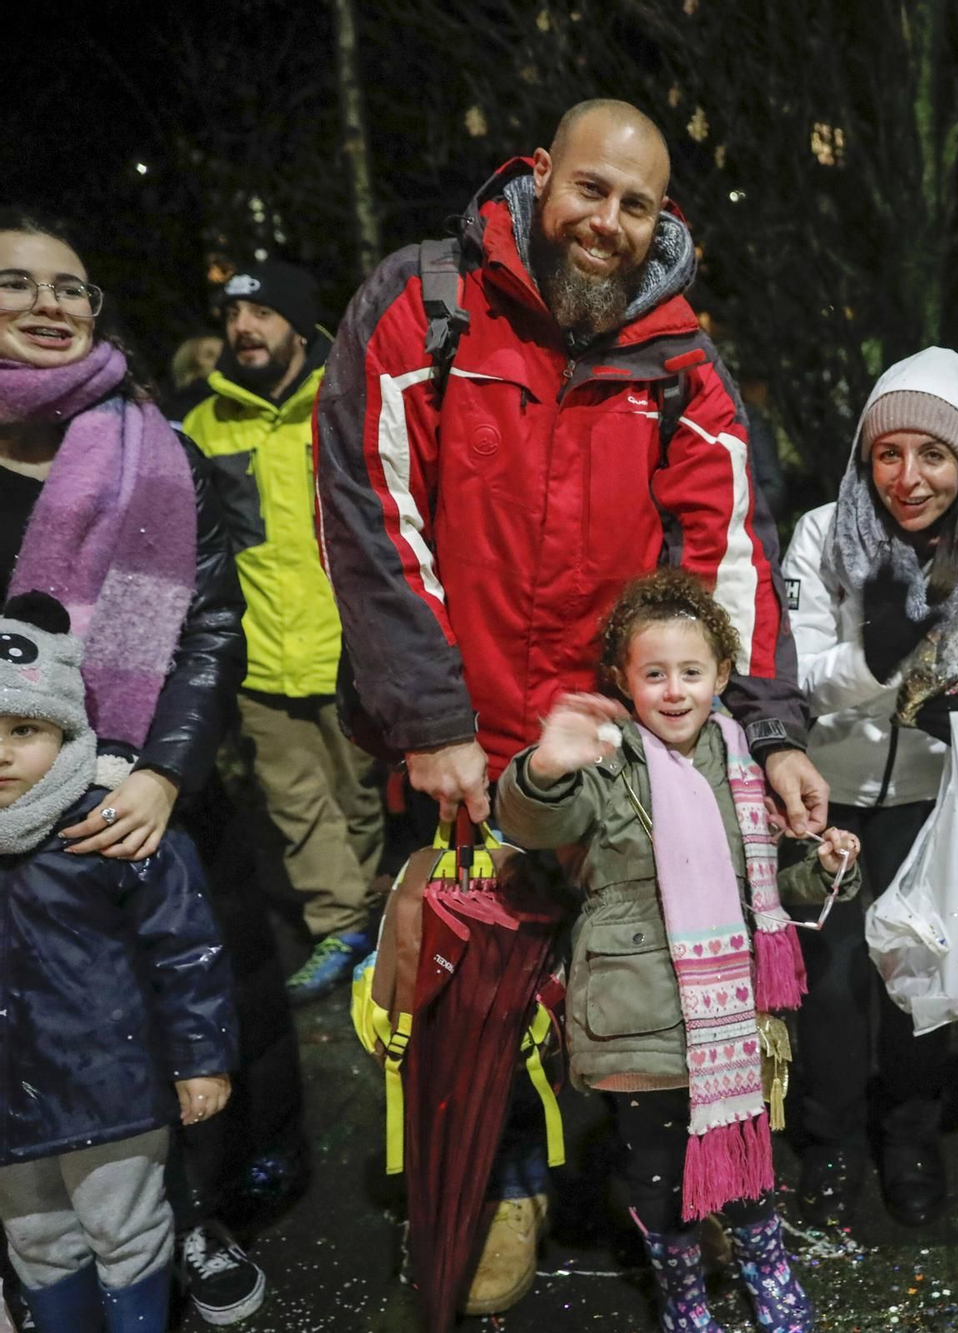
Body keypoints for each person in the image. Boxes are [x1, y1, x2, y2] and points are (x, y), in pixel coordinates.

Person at [315, 99, 828, 1317]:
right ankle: (498, 1180)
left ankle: (668, 1178)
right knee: (465, 976)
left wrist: (767, 728)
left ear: (664, 220)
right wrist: (432, 721)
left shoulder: (680, 358)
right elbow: (370, 517)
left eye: (636, 205)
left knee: (637, 974)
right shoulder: (425, 306)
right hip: (462, 726)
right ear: (539, 177)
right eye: (589, 191)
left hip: (610, 741)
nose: (607, 223)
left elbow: (728, 554)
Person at [0, 212, 263, 1327]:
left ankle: (174, 1217)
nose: (50, 304)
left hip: (116, 792)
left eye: (72, 287)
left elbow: (208, 621)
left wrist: (157, 770)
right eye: (17, 284)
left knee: (139, 1006)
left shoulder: (153, 451)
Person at [496, 569, 850, 1333]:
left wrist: (820, 867)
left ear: (722, 675)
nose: (674, 690)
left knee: (750, 1157)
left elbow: (761, 877)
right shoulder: (608, 758)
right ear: (624, 680)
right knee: (654, 1167)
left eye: (691, 671)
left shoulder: (738, 758)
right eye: (653, 674)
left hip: (730, 1013)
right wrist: (547, 766)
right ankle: (681, 1286)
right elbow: (535, 822)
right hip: (639, 1016)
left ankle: (765, 1263)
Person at [780, 346, 958, 1228]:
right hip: (827, 788)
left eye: (933, 455)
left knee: (919, 974)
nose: (908, 477)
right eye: (889, 453)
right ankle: (832, 1141)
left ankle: (911, 1134)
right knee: (835, 979)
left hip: (928, 792)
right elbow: (800, 673)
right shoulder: (820, 534)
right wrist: (878, 658)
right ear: (863, 455)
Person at [0, 592, 238, 1333]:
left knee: (126, 1229)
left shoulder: (111, 824)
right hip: (10, 1100)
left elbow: (186, 949)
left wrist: (200, 1057)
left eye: (25, 728)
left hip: (113, 1086)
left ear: (66, 728)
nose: (2, 751)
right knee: (36, 1238)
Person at [182, 260, 387, 1004]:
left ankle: (367, 915)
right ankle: (341, 926)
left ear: (298, 325)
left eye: (261, 313)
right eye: (234, 316)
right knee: (298, 804)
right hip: (259, 655)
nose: (243, 328)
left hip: (348, 650)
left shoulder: (345, 401)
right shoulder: (200, 422)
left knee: (357, 798)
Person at [161, 334, 222, 426]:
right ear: (190, 363)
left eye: (224, 354)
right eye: (209, 355)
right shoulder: (180, 409)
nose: (220, 359)